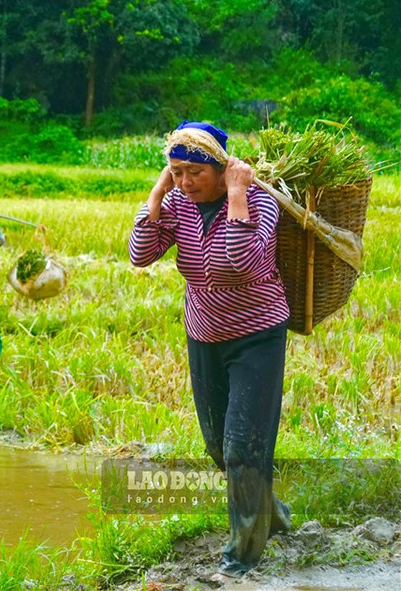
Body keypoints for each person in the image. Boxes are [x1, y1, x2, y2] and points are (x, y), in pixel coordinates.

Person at [128, 121, 292, 578]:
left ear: (221, 167)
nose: (184, 181)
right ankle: (271, 515)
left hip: (257, 336)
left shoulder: (260, 200)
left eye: (192, 172)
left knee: (243, 448)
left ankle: (240, 559)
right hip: (204, 332)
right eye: (174, 171)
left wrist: (237, 196)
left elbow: (237, 265)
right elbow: (140, 254)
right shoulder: (178, 200)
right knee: (220, 447)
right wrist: (158, 197)